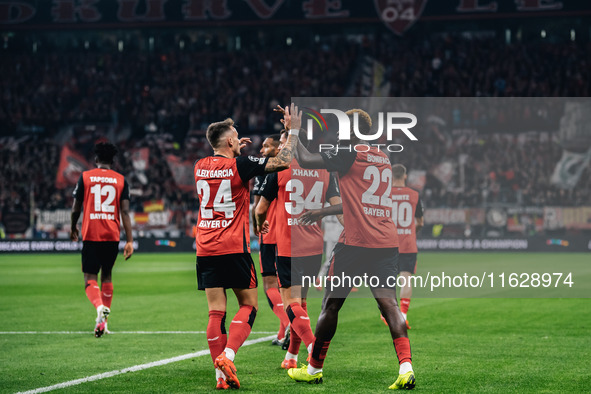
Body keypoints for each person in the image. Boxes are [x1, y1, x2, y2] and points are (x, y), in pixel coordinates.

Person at [287, 109, 415, 390]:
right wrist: (323, 211)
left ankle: (313, 369)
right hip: (386, 242)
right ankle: (406, 368)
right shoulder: (383, 157)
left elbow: (306, 159)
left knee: (331, 305)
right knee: (389, 304)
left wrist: (294, 131)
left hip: (355, 243)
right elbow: (358, 201)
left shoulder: (348, 152)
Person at [195, 104, 301, 390]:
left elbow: (223, 169)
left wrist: (236, 151)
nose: (240, 138)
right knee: (249, 305)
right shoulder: (239, 166)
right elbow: (283, 161)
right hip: (233, 247)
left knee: (216, 311)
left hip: (205, 248)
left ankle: (220, 378)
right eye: (236, 135)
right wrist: (293, 132)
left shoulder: (199, 166)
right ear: (230, 141)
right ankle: (228, 355)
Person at [255, 130, 341, 370]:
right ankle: (291, 357)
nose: (283, 146)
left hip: (288, 244)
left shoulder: (280, 168)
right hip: (314, 247)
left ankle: (313, 346)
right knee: (301, 304)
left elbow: (261, 208)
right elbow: (338, 208)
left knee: (291, 303)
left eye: (284, 142)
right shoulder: (326, 169)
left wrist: (257, 225)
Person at [70, 142, 134, 338]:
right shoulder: (121, 180)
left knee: (90, 277)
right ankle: (103, 323)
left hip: (91, 234)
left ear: (96, 159)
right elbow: (124, 211)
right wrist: (129, 240)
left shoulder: (85, 177)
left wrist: (73, 227)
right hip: (111, 235)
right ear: (112, 161)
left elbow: (76, 208)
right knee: (107, 275)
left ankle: (99, 308)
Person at [251, 134, 291, 347]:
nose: (262, 151)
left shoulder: (265, 171)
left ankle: (289, 323)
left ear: (278, 149)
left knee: (269, 283)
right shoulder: (292, 169)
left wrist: (256, 227)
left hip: (270, 231)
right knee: (287, 286)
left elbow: (256, 206)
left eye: (266, 147)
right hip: (289, 232)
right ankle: (282, 330)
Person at [389, 164, 424, 329]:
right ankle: (402, 315)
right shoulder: (414, 195)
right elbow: (420, 222)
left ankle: (387, 313)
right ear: (405, 176)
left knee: (385, 281)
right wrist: (411, 231)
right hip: (407, 244)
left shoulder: (385, 195)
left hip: (387, 243)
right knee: (406, 279)